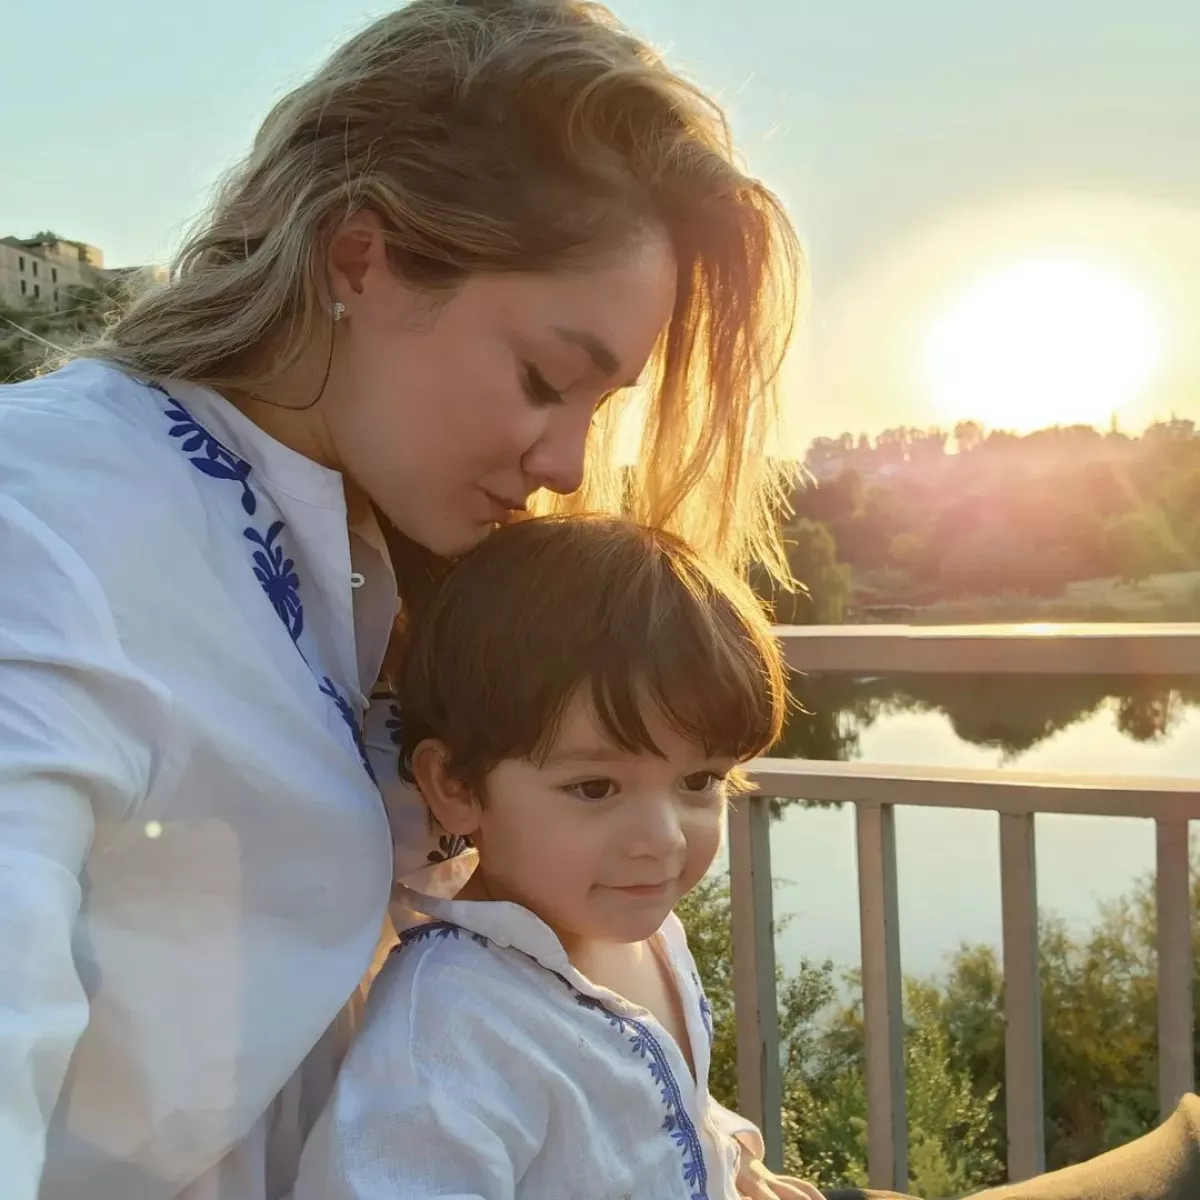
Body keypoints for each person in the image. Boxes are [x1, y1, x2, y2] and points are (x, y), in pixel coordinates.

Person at [0, 2, 802, 1198]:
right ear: (358, 257)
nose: (570, 466)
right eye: (546, 379)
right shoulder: (46, 516)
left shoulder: (388, 555)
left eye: (605, 407)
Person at [292, 514, 823, 1200]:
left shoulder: (646, 930)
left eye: (699, 781)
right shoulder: (451, 1028)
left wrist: (731, 1163)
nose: (662, 836)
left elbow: (659, 1117)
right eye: (596, 787)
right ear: (455, 786)